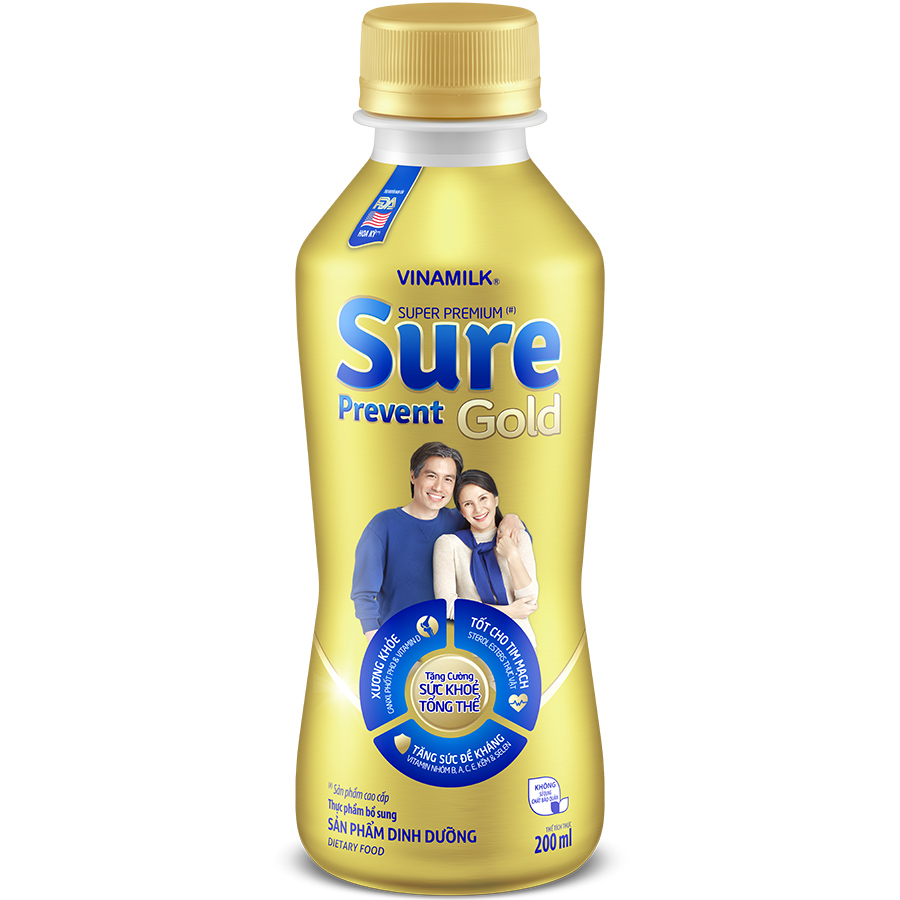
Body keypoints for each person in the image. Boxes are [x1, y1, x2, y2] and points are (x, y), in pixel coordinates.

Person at [351, 443, 523, 642]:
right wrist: (377, 644)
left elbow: (508, 536)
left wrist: (511, 518)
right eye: (431, 476)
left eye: (448, 479)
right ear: (413, 476)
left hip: (456, 643)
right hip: (400, 642)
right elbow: (363, 595)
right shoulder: (383, 525)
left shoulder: (460, 520)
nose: (439, 487)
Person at [432, 470, 538, 647]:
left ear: (495, 500)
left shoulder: (518, 537)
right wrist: (508, 611)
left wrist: (512, 555)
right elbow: (447, 606)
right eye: (468, 504)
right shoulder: (449, 544)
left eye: (483, 498)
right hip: (473, 648)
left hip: (519, 646)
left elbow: (529, 600)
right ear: (461, 511)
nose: (478, 509)